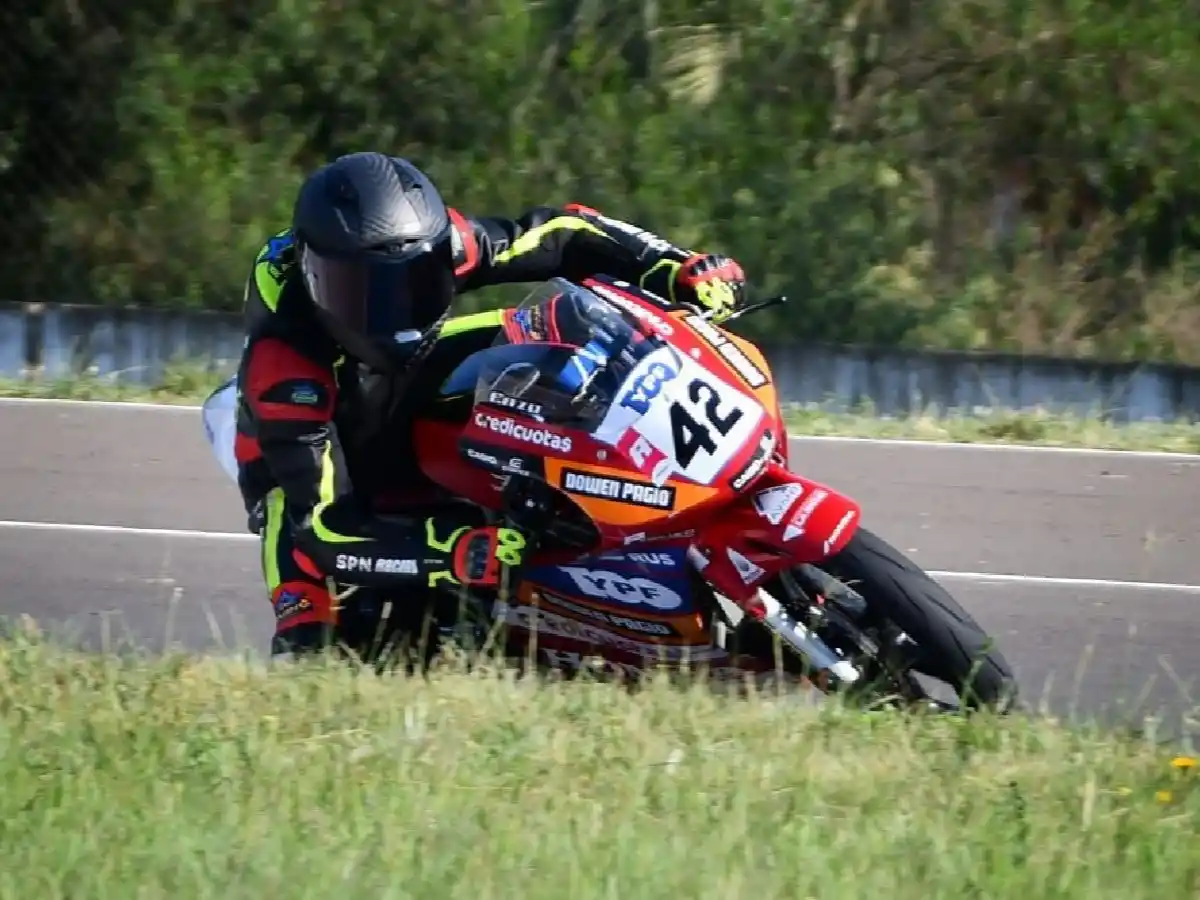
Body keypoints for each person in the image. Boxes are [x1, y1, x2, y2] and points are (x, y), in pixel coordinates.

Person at [231, 150, 749, 662]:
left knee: (543, 341)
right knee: (308, 616)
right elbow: (322, 526)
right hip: (313, 419)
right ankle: (301, 627)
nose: (395, 311)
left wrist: (675, 267)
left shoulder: (438, 243)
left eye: (415, 284)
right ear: (313, 273)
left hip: (410, 369)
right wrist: (451, 550)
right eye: (362, 293)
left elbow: (565, 232)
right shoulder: (284, 365)